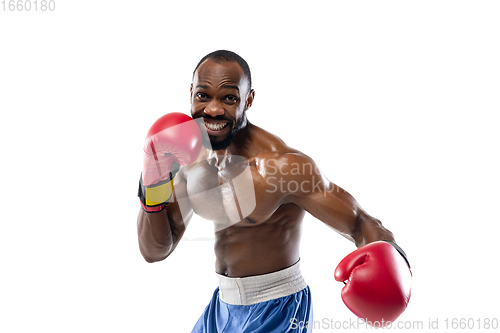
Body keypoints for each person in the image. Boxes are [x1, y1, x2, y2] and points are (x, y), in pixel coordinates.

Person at [137, 50, 412, 332]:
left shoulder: (281, 166)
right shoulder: (186, 157)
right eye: (203, 96)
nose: (213, 110)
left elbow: (360, 222)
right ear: (191, 93)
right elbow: (156, 250)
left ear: (249, 99)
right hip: (221, 307)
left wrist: (394, 264)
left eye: (229, 98)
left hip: (277, 308)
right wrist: (153, 182)